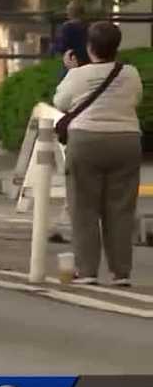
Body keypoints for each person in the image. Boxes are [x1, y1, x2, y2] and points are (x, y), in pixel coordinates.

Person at [54, 22, 141, 287]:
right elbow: (135, 99)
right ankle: (121, 272)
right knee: (121, 208)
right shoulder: (130, 73)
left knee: (84, 207)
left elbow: (60, 102)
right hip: (126, 140)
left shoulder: (78, 75)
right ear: (116, 46)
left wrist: (71, 71)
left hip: (86, 139)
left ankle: (87, 270)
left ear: (89, 47)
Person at [53, 0, 89, 81]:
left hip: (71, 61)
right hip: (86, 61)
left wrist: (54, 47)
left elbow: (62, 46)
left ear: (70, 12)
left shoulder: (67, 27)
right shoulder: (87, 26)